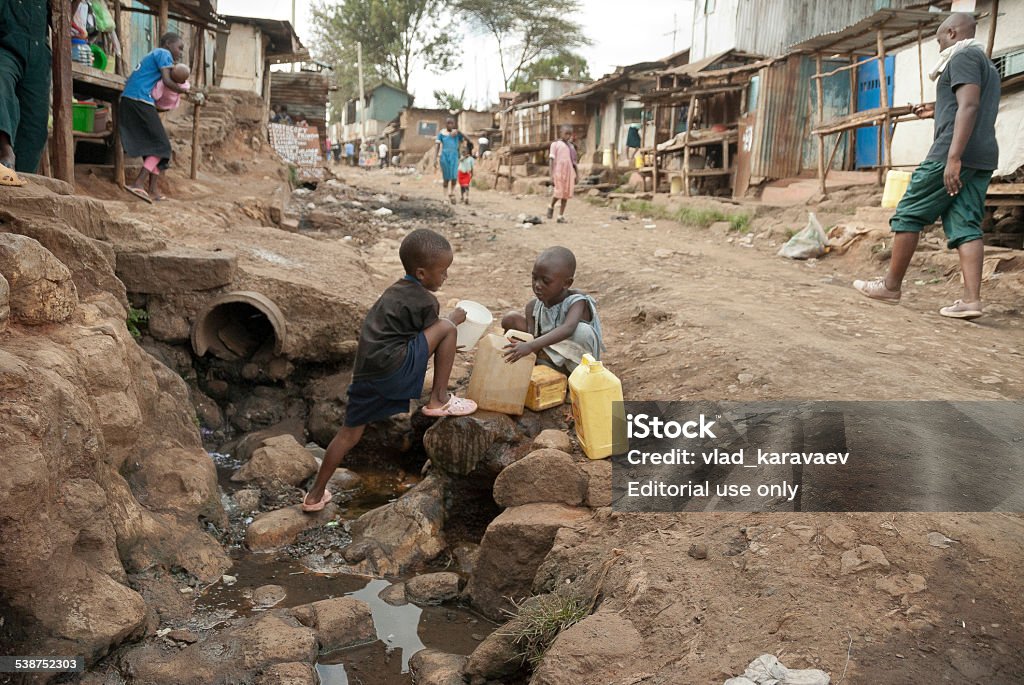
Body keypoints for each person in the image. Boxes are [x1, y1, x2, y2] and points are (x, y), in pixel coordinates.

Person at [301, 229, 478, 512]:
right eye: (443, 271)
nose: (446, 277)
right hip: (393, 367)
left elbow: (414, 338)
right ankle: (440, 399)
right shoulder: (425, 300)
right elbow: (435, 334)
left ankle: (314, 496)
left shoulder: (394, 291)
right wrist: (454, 318)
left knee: (348, 434)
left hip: (366, 373)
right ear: (421, 273)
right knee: (447, 327)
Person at [853, 12, 1000, 320]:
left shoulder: (961, 57)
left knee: (909, 212)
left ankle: (890, 286)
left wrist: (953, 157)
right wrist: (937, 110)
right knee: (966, 224)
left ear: (951, 32)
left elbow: (970, 105)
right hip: (983, 156)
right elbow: (967, 105)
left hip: (953, 153)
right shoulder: (986, 63)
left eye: (938, 40)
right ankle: (971, 300)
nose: (938, 46)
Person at [501, 246, 604, 375]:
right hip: (543, 355)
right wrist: (529, 346)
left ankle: (572, 377)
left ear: (567, 283)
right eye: (534, 278)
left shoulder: (577, 301)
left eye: (546, 281)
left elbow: (568, 328)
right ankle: (521, 365)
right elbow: (532, 338)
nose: (537, 285)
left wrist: (531, 346)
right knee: (511, 319)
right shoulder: (533, 306)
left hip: (572, 360)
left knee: (582, 331)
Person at [119, 32, 188, 203]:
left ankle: (153, 190)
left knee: (155, 146)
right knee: (162, 146)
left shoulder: (152, 55)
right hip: (139, 99)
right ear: (167, 43)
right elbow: (166, 81)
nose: (180, 52)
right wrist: (184, 91)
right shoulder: (163, 53)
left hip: (131, 99)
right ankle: (138, 183)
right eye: (179, 47)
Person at [0, 0, 50, 184]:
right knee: (1, 82)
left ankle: (20, 181)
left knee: (35, 127)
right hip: (6, 42)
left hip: (38, 52)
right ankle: (5, 150)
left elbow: (62, 17)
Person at [547, 126, 578, 223]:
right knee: (558, 192)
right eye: (566, 133)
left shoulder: (571, 147)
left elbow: (574, 163)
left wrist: (577, 175)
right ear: (561, 133)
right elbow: (551, 160)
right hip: (558, 171)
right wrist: (551, 174)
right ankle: (551, 205)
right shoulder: (555, 144)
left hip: (569, 172)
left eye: (570, 134)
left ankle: (560, 216)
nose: (568, 136)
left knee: (566, 194)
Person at [435, 117, 464, 204]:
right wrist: (435, 158)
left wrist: (459, 132)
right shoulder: (442, 133)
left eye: (452, 123)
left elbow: (466, 139)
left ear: (454, 124)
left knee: (454, 177)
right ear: (445, 124)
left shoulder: (456, 134)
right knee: (446, 178)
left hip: (454, 156)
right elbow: (437, 146)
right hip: (444, 157)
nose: (450, 125)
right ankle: (445, 197)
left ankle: (452, 193)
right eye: (448, 123)